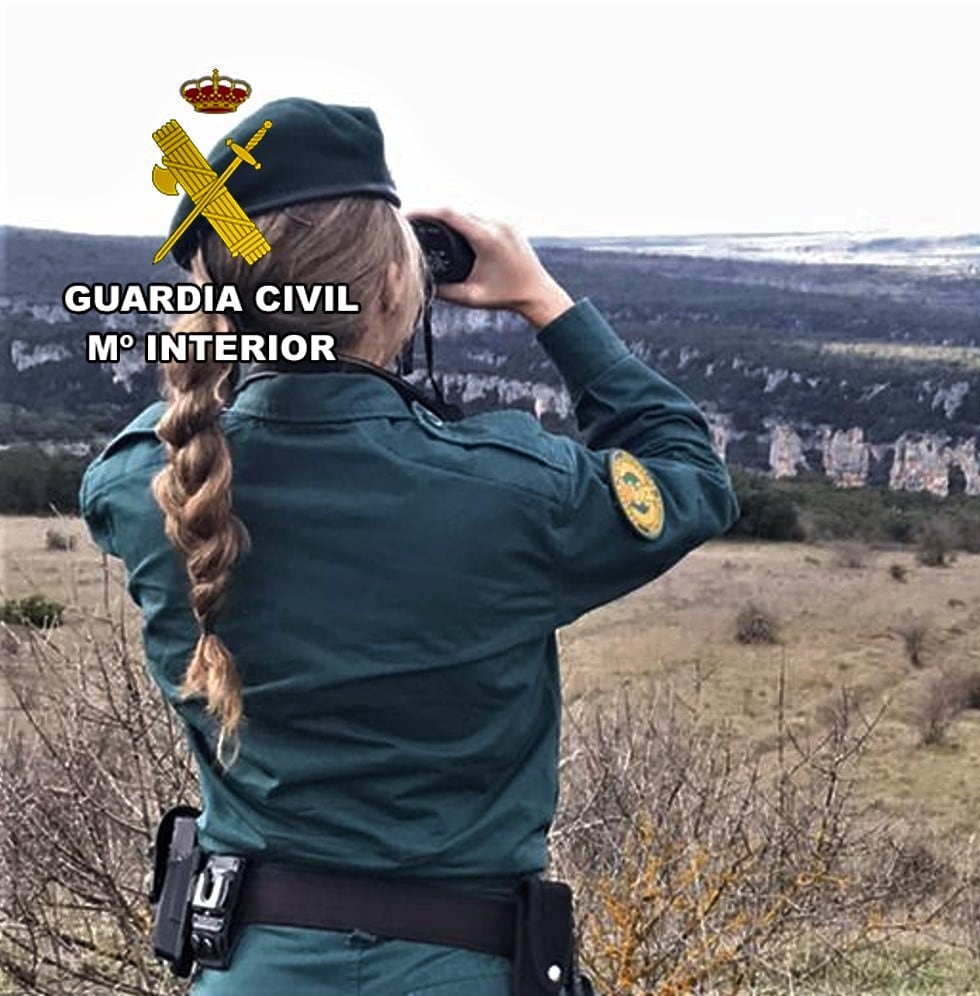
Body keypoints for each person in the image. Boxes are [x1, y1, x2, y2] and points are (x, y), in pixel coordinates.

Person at [79, 97, 740, 994]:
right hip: (466, 971)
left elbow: (190, 421)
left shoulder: (143, 489)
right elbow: (688, 476)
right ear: (397, 288)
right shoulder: (512, 490)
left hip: (251, 970)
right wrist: (545, 300)